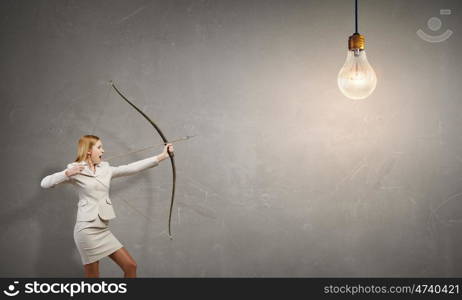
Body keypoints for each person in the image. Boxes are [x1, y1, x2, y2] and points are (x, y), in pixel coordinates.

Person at [40, 134, 174, 278]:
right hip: (86, 230)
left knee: (130, 266)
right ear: (89, 150)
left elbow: (131, 168)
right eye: (99, 147)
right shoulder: (75, 170)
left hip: (103, 229)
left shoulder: (105, 168)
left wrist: (162, 156)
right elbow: (45, 183)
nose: (103, 151)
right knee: (93, 276)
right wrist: (66, 173)